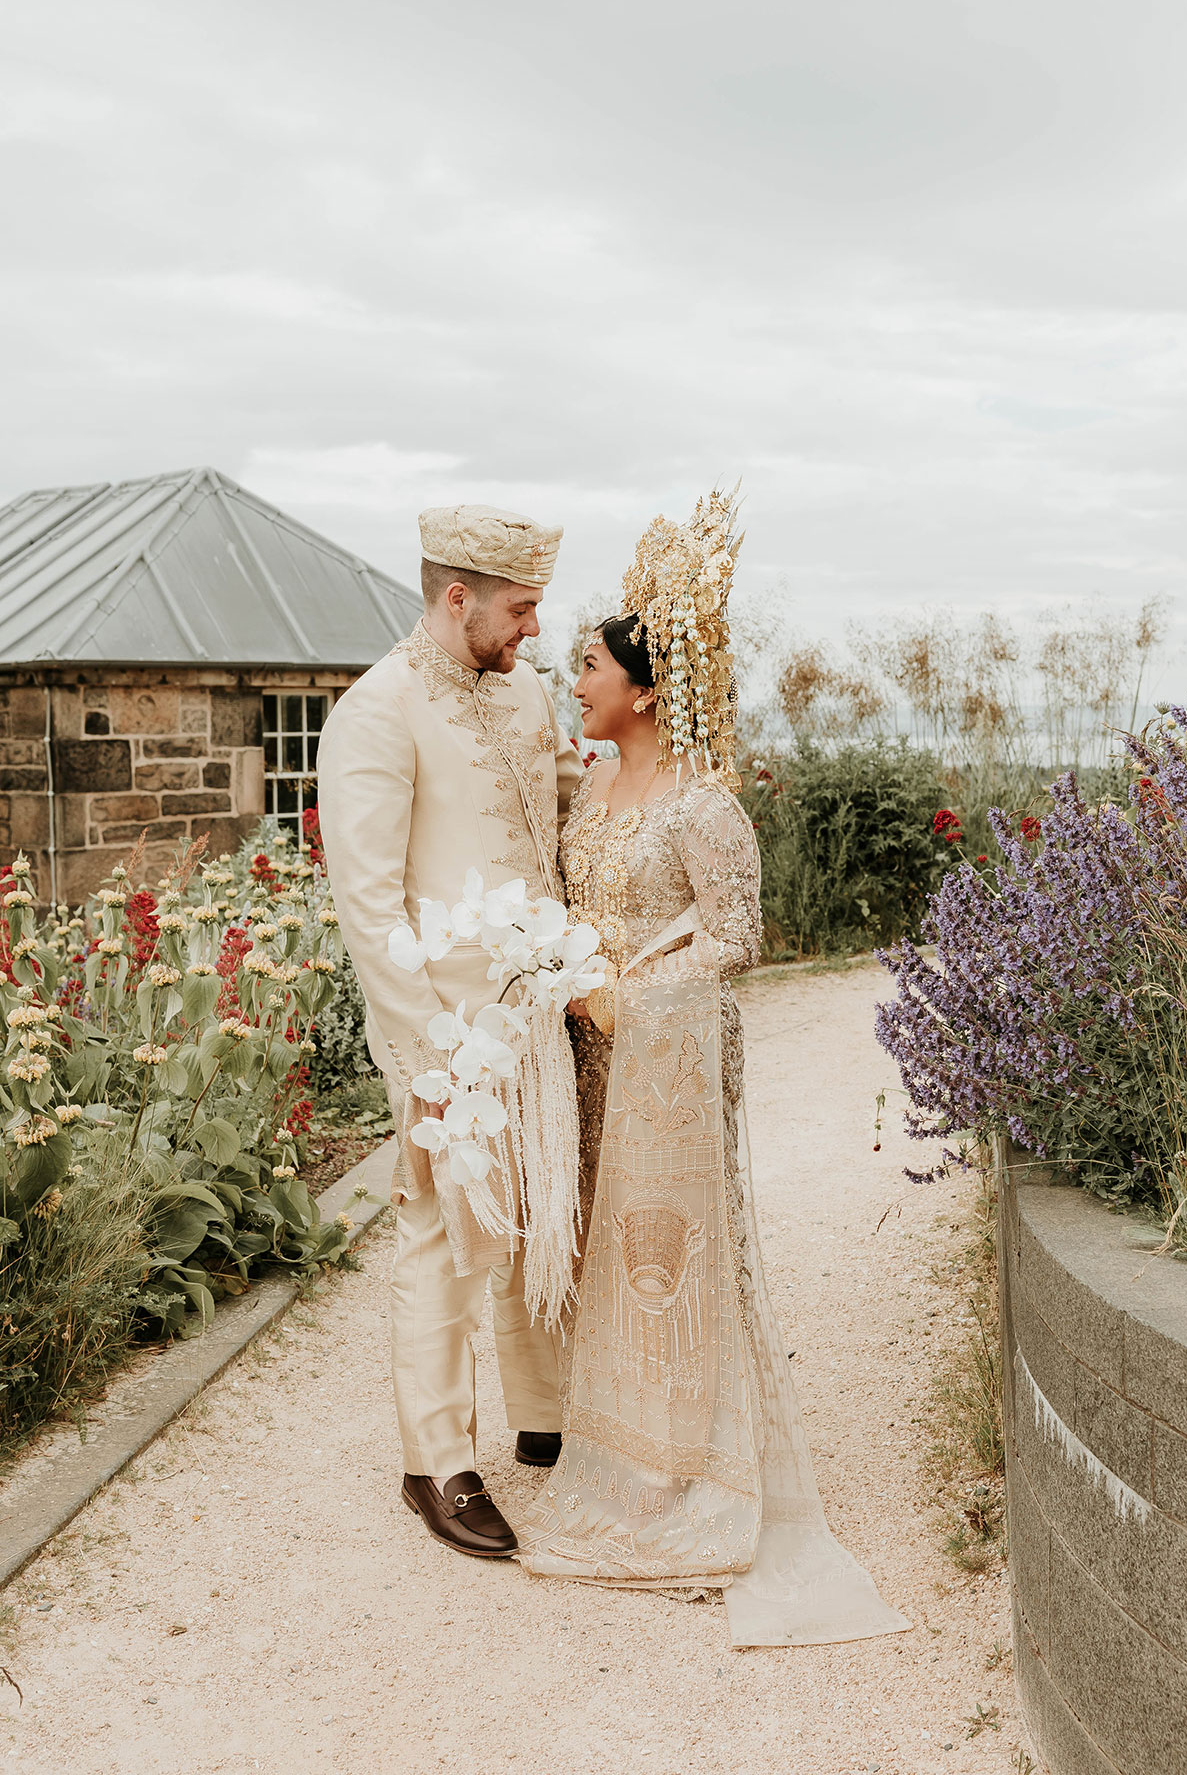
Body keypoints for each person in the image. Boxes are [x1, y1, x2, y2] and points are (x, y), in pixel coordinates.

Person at [515, 491, 912, 1646]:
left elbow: (736, 938)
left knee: (668, 1255)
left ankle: (683, 1474)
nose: (573, 680)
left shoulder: (703, 804)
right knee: (602, 1237)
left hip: (667, 1060)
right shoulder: (591, 786)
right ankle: (617, 1454)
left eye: (586, 665)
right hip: (588, 1056)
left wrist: (630, 995)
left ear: (642, 688)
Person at [316, 503, 583, 1561]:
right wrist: (427, 1051)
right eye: (519, 609)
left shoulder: (525, 692)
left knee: (536, 1208)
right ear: (456, 596)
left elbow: (560, 811)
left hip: (538, 1006)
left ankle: (544, 1410)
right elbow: (369, 905)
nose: (531, 630)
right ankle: (435, 1464)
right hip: (447, 1030)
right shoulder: (375, 713)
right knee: (442, 1234)